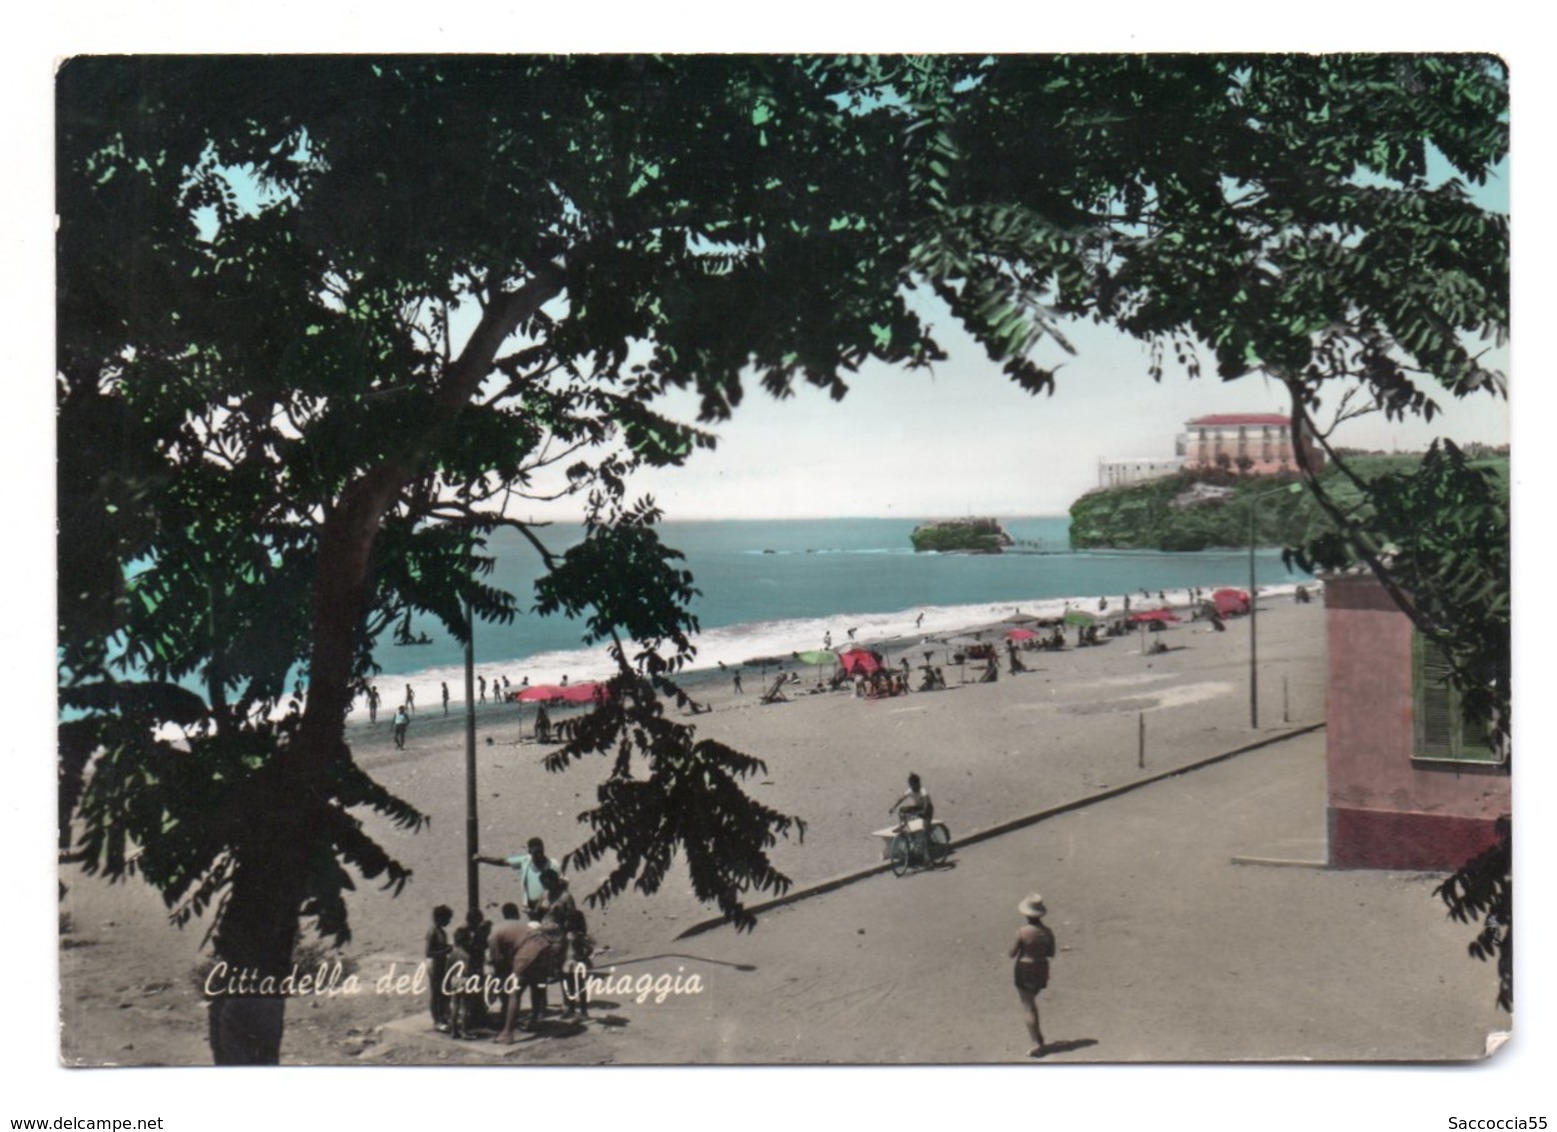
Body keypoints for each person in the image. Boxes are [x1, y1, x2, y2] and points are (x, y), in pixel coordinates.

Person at [1011, 894, 1057, 1057]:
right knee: (1032, 1002)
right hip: (1041, 968)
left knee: (1027, 1005)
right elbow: (1051, 953)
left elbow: (1012, 953)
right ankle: (1038, 1036)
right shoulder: (1048, 932)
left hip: (1024, 968)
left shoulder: (1022, 932)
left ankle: (1036, 1043)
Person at [474, 837, 556, 917]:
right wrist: (483, 859)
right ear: (530, 852)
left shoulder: (553, 865)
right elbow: (502, 862)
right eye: (536, 852)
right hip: (531, 908)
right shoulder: (525, 861)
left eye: (541, 852)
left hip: (549, 907)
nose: (539, 855)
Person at [887, 773, 936, 864]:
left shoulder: (923, 790)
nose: (911, 786)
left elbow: (926, 802)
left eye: (912, 784)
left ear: (917, 783)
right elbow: (901, 799)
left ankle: (928, 859)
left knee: (925, 832)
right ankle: (902, 825)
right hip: (918, 807)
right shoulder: (910, 791)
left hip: (927, 809)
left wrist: (923, 811)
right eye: (910, 784)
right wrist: (894, 807)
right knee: (903, 810)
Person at [425, 905, 454, 1032]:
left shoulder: (441, 931)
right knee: (436, 992)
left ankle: (442, 1016)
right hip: (435, 964)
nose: (449, 922)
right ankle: (437, 1019)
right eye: (447, 919)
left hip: (441, 963)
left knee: (443, 991)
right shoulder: (433, 932)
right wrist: (445, 950)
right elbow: (429, 952)